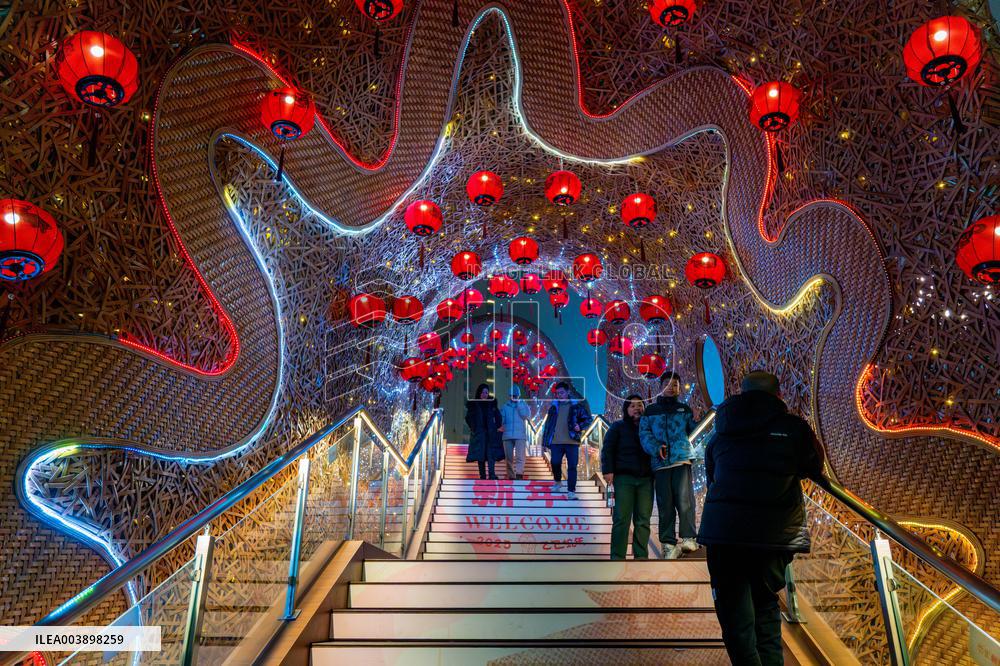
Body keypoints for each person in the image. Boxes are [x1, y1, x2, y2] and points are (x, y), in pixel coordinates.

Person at [698, 371, 825, 666]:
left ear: (741, 395)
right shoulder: (793, 428)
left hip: (725, 534)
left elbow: (712, 477)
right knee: (766, 606)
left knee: (735, 619)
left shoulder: (720, 431)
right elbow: (813, 467)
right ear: (778, 395)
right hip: (773, 535)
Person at [639, 370, 698, 559]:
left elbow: (694, 431)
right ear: (660, 387)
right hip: (661, 463)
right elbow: (644, 434)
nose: (671, 388)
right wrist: (656, 448)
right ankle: (668, 544)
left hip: (681, 460)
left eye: (675, 385)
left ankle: (689, 538)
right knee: (665, 505)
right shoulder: (650, 411)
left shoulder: (684, 409)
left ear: (679, 388)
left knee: (685, 501)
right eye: (667, 384)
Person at [601, 395, 653, 560]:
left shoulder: (650, 427)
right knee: (622, 519)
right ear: (626, 410)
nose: (637, 408)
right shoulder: (618, 427)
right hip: (624, 479)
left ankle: (641, 557)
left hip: (646, 479)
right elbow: (607, 449)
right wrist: (608, 470)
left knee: (643, 520)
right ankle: (617, 557)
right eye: (632, 406)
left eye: (640, 405)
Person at [541, 381, 592, 499]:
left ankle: (571, 491)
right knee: (555, 462)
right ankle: (558, 482)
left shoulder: (576, 406)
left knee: (572, 466)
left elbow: (588, 419)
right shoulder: (554, 407)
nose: (559, 395)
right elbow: (548, 425)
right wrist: (544, 442)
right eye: (558, 393)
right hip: (556, 441)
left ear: (568, 392)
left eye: (562, 393)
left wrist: (580, 426)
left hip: (572, 441)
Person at [465, 383, 505, 480]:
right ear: (479, 393)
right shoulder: (474, 404)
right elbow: (468, 417)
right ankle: (482, 475)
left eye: (486, 392)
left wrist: (498, 426)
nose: (485, 394)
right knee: (480, 455)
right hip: (479, 433)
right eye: (483, 392)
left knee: (491, 454)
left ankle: (492, 474)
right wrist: (474, 427)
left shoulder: (492, 403)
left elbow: (498, 416)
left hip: (491, 433)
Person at [499, 384, 532, 480]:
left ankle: (519, 474)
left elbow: (525, 416)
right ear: (509, 395)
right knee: (509, 458)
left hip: (520, 435)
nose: (514, 397)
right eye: (512, 395)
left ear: (519, 395)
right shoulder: (505, 407)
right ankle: (511, 476)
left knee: (520, 457)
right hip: (507, 435)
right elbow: (501, 420)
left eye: (516, 395)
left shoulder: (523, 404)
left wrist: (519, 405)